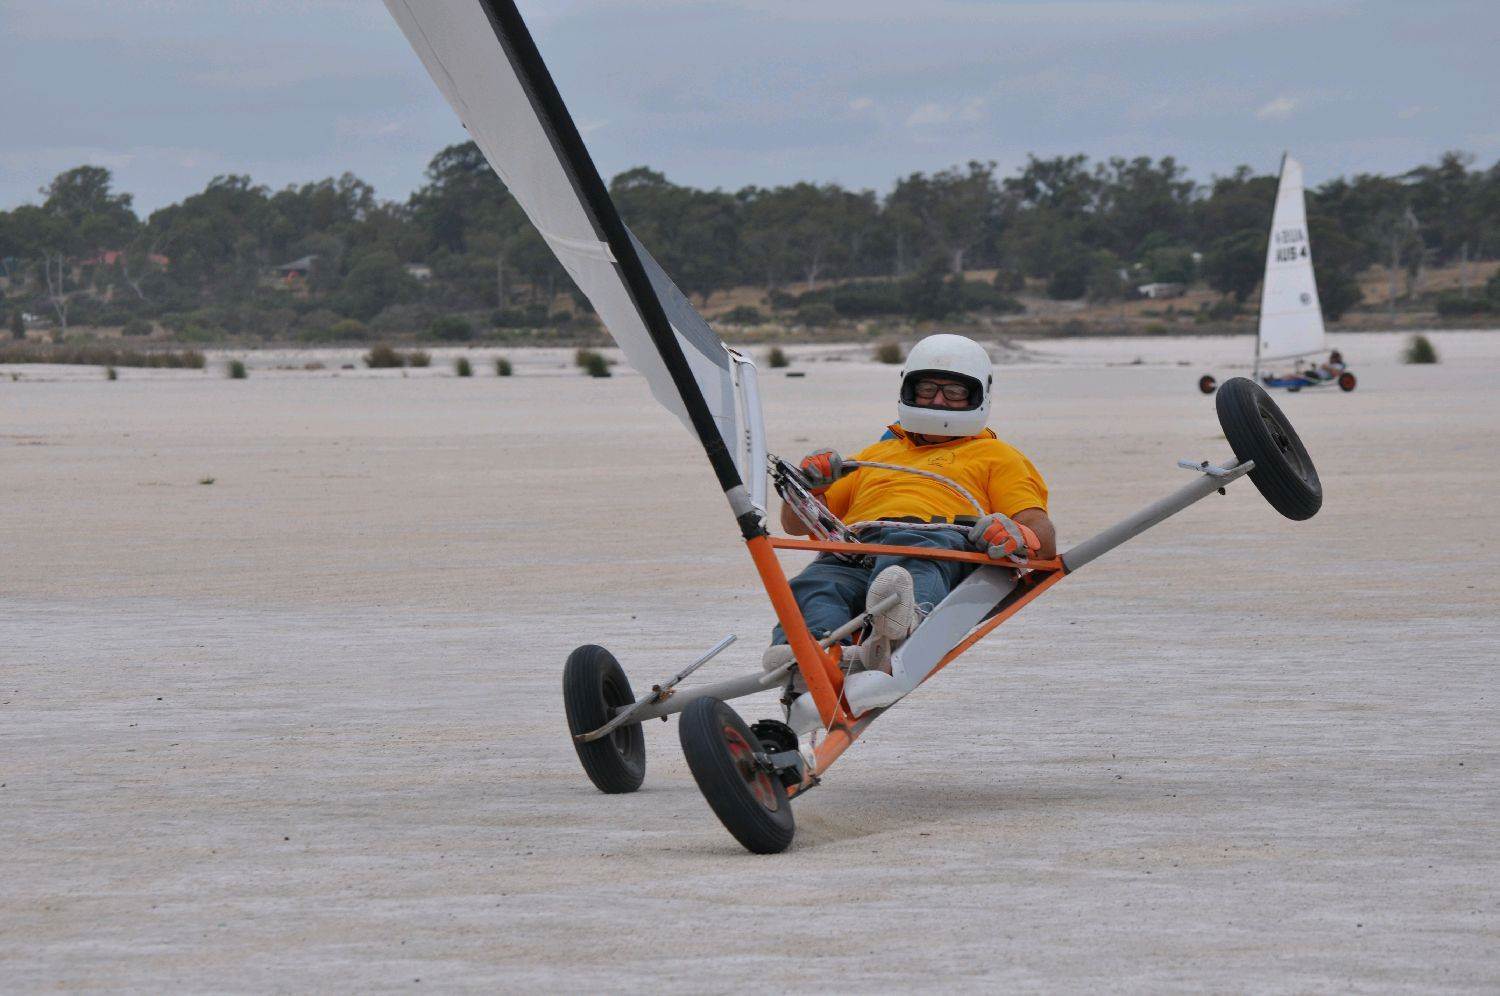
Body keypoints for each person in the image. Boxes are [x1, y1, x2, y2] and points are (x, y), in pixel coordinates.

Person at [764, 333, 1056, 729]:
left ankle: (901, 621)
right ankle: (811, 652)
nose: (938, 401)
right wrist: (809, 486)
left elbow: (1042, 533)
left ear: (978, 395)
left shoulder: (997, 456)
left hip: (937, 542)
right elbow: (796, 524)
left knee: (912, 549)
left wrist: (1016, 535)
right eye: (927, 389)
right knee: (817, 582)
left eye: (954, 392)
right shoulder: (874, 455)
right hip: (855, 547)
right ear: (908, 389)